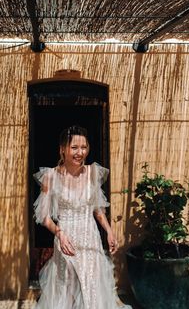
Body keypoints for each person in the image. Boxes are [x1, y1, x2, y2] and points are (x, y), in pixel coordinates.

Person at [33, 125, 132, 309]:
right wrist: (59, 233)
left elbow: (98, 210)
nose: (80, 152)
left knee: (92, 287)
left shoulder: (93, 173)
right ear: (62, 149)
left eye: (84, 147)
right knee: (68, 288)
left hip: (90, 239)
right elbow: (44, 217)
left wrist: (109, 232)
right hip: (66, 240)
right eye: (74, 147)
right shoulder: (50, 176)